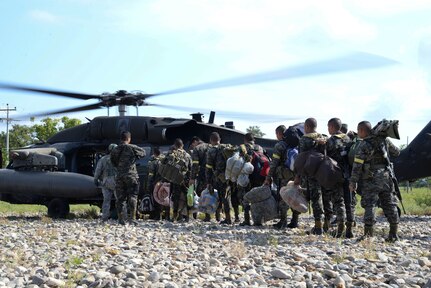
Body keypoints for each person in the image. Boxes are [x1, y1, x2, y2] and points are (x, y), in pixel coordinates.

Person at [349, 121, 401, 242]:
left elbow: (357, 166)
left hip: (371, 178)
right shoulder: (385, 141)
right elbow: (397, 152)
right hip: (387, 177)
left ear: (361, 130)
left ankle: (368, 235)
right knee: (390, 203)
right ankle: (393, 234)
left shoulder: (364, 145)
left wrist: (353, 182)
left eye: (358, 131)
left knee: (370, 204)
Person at [294, 117, 326, 235]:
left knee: (314, 199)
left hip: (309, 174)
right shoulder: (323, 137)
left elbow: (301, 159)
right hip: (322, 172)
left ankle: (318, 227)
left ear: (307, 127)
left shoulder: (304, 139)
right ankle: (324, 224)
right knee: (322, 198)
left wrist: (298, 175)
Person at [264, 125, 299, 229]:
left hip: (284, 176)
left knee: (284, 197)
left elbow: (274, 163)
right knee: (295, 196)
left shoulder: (280, 145)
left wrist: (268, 177)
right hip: (295, 175)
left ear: (280, 134)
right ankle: (295, 220)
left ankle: (283, 221)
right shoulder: (296, 144)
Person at [110, 131, 146, 225]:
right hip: (131, 175)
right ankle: (132, 218)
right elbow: (143, 153)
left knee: (120, 199)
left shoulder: (115, 149)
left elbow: (113, 162)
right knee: (133, 196)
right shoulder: (132, 147)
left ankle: (120, 219)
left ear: (121, 139)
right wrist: (134, 158)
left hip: (120, 176)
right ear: (129, 139)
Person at [324, 118, 349, 237]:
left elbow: (325, 157)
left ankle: (340, 229)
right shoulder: (348, 139)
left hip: (336, 174)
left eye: (329, 127)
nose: (328, 129)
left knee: (338, 201)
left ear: (333, 127)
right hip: (348, 174)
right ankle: (349, 228)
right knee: (348, 201)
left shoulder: (331, 141)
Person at [238, 132, 266, 226]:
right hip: (259, 176)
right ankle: (258, 220)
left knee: (246, 197)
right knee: (257, 197)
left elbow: (238, 162)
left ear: (245, 139)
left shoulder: (242, 147)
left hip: (248, 176)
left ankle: (247, 219)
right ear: (254, 139)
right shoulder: (260, 147)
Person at [206, 132, 230, 224]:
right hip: (228, 177)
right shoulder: (226, 148)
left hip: (218, 178)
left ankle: (219, 217)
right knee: (226, 197)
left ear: (211, 140)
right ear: (219, 139)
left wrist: (208, 181)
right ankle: (228, 217)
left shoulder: (211, 151)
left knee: (218, 197)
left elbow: (208, 167)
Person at [168, 138, 192, 222]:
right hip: (186, 180)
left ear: (175, 145)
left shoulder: (173, 155)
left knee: (176, 197)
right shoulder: (188, 155)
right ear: (182, 146)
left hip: (176, 179)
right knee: (188, 197)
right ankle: (188, 216)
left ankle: (175, 216)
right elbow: (190, 168)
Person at [94, 144, 117, 221]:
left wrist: (95, 179)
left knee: (106, 200)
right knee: (120, 200)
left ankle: (104, 217)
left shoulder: (103, 159)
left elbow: (98, 170)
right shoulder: (119, 159)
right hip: (116, 181)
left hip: (105, 181)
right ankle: (122, 217)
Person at [188, 136, 210, 220]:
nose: (192, 146)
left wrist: (192, 178)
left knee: (197, 194)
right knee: (209, 193)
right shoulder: (210, 146)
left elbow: (195, 165)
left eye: (192, 144)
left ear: (195, 141)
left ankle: (195, 215)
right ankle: (211, 216)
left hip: (202, 174)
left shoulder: (197, 149)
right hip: (212, 174)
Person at [146, 147, 164, 220]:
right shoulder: (164, 161)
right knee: (163, 198)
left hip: (156, 183)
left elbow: (151, 175)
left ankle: (157, 215)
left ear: (154, 153)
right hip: (164, 183)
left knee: (156, 198)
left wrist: (148, 185)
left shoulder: (153, 162)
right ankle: (166, 215)